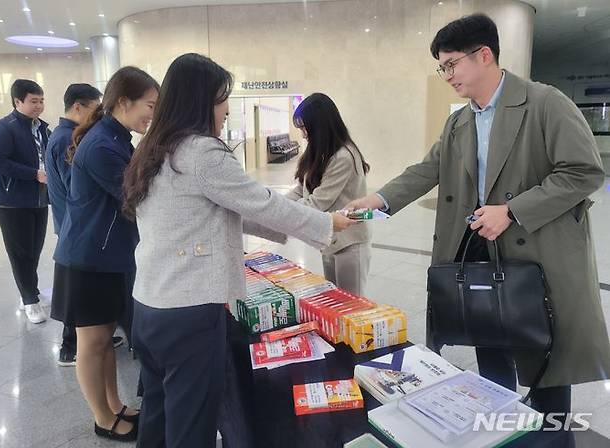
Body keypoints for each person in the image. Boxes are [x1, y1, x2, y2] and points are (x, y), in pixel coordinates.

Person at [348, 13, 610, 418]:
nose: (447, 75)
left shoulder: (545, 104)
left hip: (539, 261)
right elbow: (428, 170)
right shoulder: (460, 121)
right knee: (491, 354)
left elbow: (583, 172)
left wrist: (513, 211)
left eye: (451, 64)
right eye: (442, 67)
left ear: (484, 55)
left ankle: (555, 438)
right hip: (481, 260)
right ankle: (501, 427)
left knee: (546, 368)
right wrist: (379, 199)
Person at [122, 53, 354, 448]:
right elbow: (262, 202)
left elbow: (235, 209)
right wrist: (325, 223)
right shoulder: (201, 153)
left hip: (149, 306)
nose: (227, 109)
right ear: (201, 101)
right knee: (192, 425)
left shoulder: (155, 148)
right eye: (221, 98)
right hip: (190, 313)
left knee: (159, 416)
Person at [51, 66, 159, 442]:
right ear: (124, 102)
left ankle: (116, 405)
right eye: (150, 105)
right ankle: (102, 417)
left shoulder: (115, 137)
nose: (152, 114)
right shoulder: (101, 145)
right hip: (88, 260)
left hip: (107, 257)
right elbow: (136, 198)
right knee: (92, 344)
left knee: (104, 343)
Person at [45, 83, 114, 367]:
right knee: (79, 299)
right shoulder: (67, 138)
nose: (98, 116)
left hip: (72, 224)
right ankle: (69, 347)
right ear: (77, 107)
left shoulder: (64, 135)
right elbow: (80, 189)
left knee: (87, 302)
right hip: (76, 227)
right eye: (94, 109)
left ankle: (90, 337)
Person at [286, 93, 371, 295]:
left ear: (320, 125)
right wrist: (275, 204)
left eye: (305, 127)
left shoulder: (343, 156)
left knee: (351, 306)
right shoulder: (320, 151)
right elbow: (302, 188)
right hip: (330, 240)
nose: (303, 134)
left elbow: (318, 202)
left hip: (349, 243)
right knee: (334, 303)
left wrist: (282, 213)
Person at [0, 79, 49, 324]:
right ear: (17, 101)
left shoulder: (41, 127)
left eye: (41, 100)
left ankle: (30, 291)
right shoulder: (3, 129)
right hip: (11, 201)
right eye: (34, 101)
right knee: (20, 252)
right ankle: (29, 300)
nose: (39, 106)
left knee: (34, 249)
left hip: (38, 198)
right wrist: (33, 174)